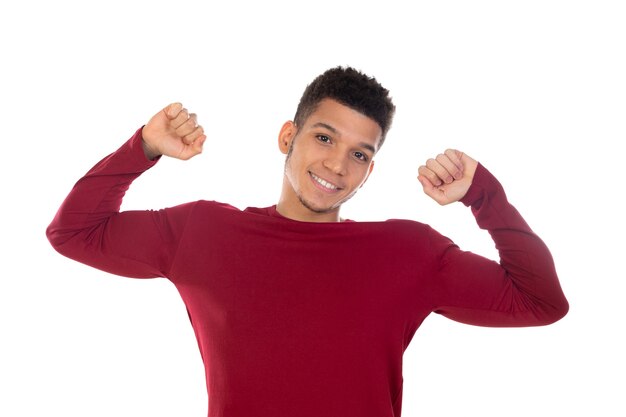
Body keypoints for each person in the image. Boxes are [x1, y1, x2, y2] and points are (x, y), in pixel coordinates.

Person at [47, 66, 569, 417]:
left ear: (370, 169)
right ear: (287, 138)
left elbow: (540, 300)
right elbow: (73, 233)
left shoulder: (408, 252)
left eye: (360, 154)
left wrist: (483, 195)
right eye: (324, 137)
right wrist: (141, 148)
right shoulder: (202, 232)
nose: (338, 165)